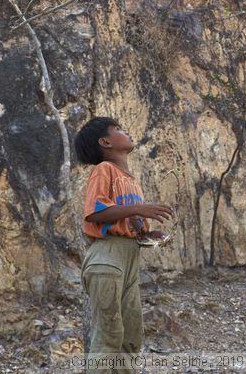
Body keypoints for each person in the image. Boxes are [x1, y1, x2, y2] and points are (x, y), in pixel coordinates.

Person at [74, 117, 174, 371]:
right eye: (118, 129)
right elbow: (95, 213)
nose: (126, 130)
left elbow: (125, 219)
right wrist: (140, 208)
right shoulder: (103, 170)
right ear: (105, 142)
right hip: (107, 258)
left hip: (128, 259)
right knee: (109, 335)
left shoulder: (130, 180)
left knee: (130, 337)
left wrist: (144, 232)